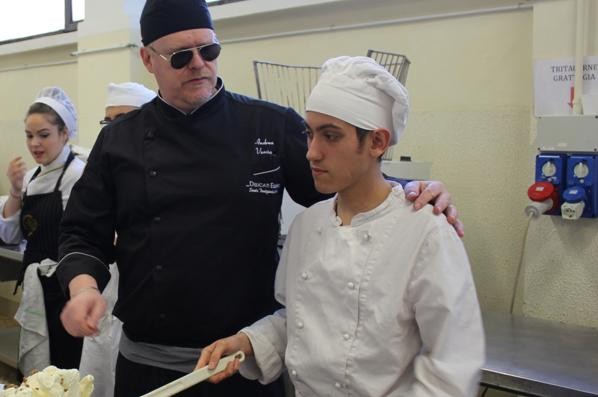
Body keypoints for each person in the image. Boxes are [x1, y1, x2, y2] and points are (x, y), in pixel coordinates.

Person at [55, 1, 462, 395]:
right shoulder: (119, 139)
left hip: (246, 364)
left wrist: (409, 191)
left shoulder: (269, 124)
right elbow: (82, 232)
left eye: (208, 49)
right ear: (148, 59)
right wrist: (84, 289)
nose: (198, 63)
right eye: (180, 56)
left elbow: (349, 185)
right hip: (149, 366)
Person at [196, 56, 485, 396]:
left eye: (330, 136)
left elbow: (452, 366)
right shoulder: (307, 226)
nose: (311, 153)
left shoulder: (426, 232)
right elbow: (300, 323)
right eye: (310, 133)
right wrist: (248, 340)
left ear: (377, 142)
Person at [0, 87, 87, 374]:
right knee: (38, 368)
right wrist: (14, 190)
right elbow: (8, 237)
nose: (34, 143)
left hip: (67, 288)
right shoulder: (31, 177)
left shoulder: (77, 174)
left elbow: (84, 237)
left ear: (65, 133)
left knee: (63, 365)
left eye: (43, 135)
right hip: (38, 287)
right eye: (29, 135)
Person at [76, 81, 156, 397]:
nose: (114, 131)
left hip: (145, 309)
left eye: (123, 120)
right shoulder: (102, 173)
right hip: (106, 296)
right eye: (109, 122)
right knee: (97, 377)